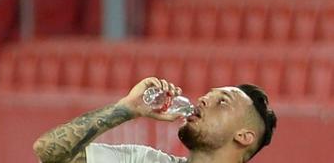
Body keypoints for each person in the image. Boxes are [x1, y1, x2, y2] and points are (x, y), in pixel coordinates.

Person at [32, 77, 277, 163]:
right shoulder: (142, 160)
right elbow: (50, 152)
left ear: (244, 136)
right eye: (207, 95)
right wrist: (126, 108)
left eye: (222, 102)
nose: (203, 100)